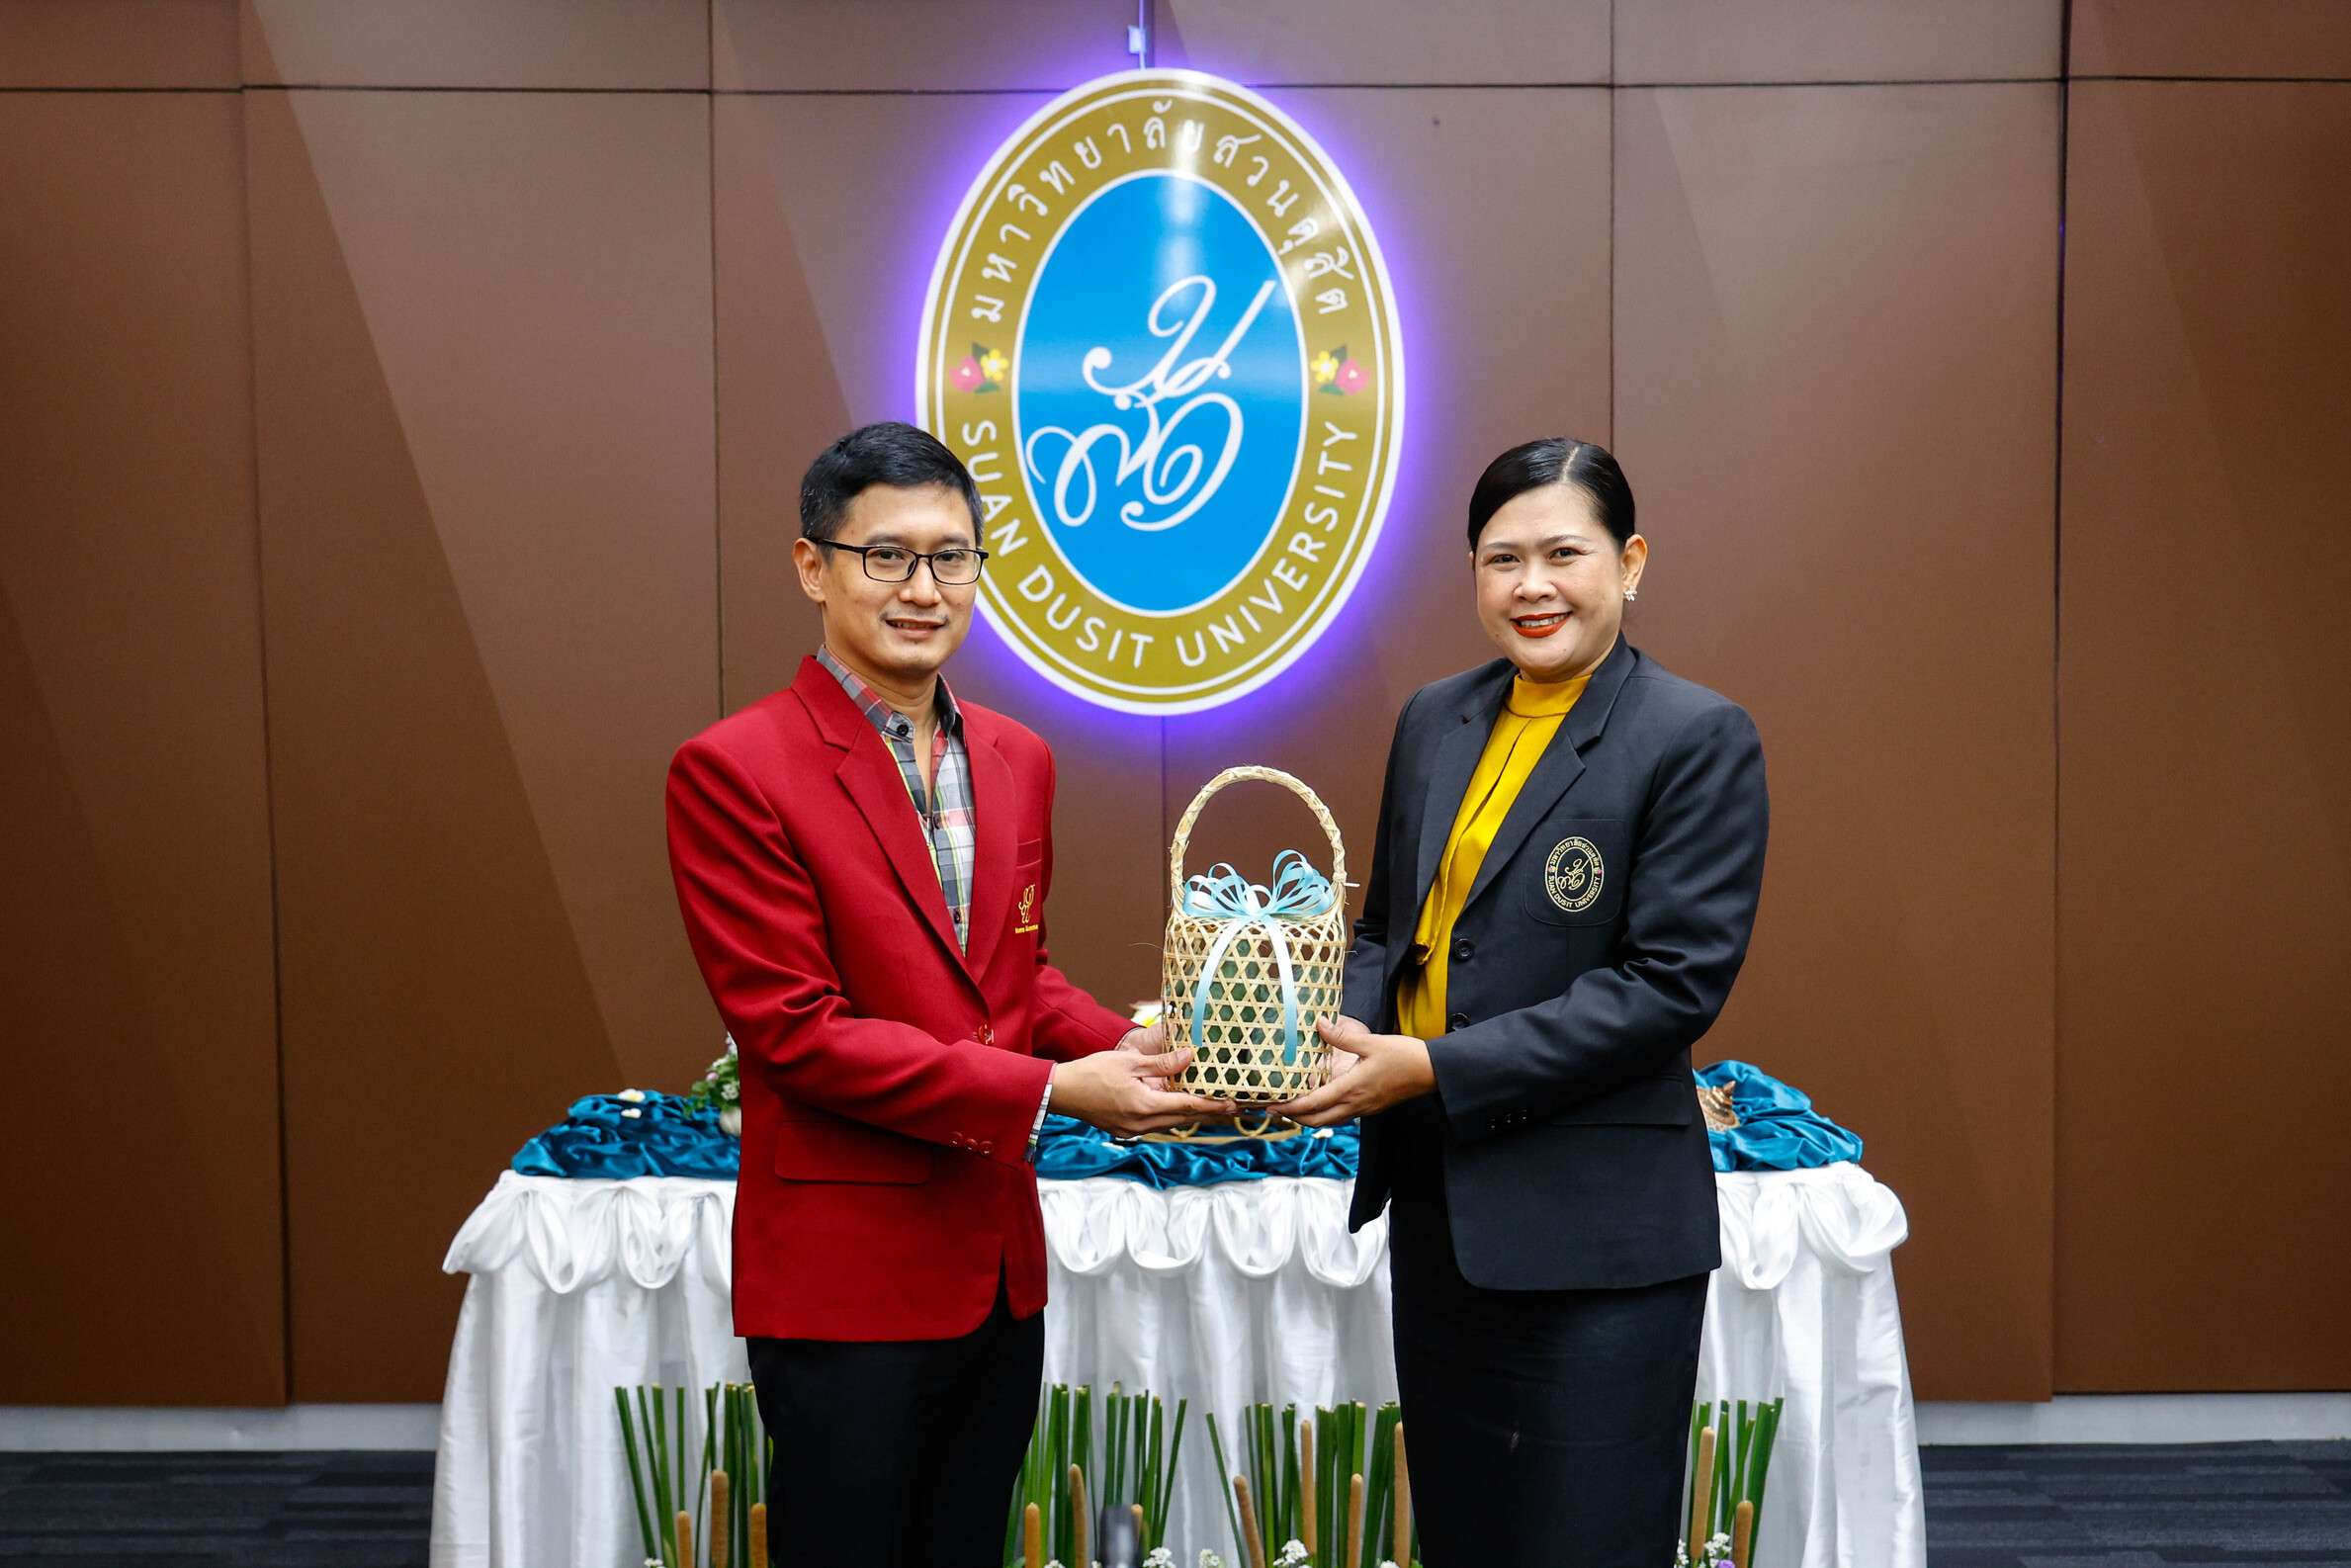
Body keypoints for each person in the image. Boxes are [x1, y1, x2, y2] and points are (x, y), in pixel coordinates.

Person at [665, 422, 1233, 1568]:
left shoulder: (1019, 754)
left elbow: (1013, 978)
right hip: (844, 1279)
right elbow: (794, 1033)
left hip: (994, 1270)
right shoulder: (735, 768)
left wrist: (1155, 1045)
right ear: (812, 566)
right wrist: (1054, 1090)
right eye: (886, 555)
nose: (922, 589)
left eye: (951, 556)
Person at [1274, 438, 1770, 1566]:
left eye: (1563, 554)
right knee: (1466, 1533)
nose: (1531, 585)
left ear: (1629, 562)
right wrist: (1315, 1030)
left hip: (1600, 1240)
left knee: (1587, 1539)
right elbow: (1384, 933)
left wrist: (1431, 1066)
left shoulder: (1693, 735)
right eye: (1502, 559)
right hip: (1442, 1219)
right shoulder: (1433, 716)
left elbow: (1668, 986)